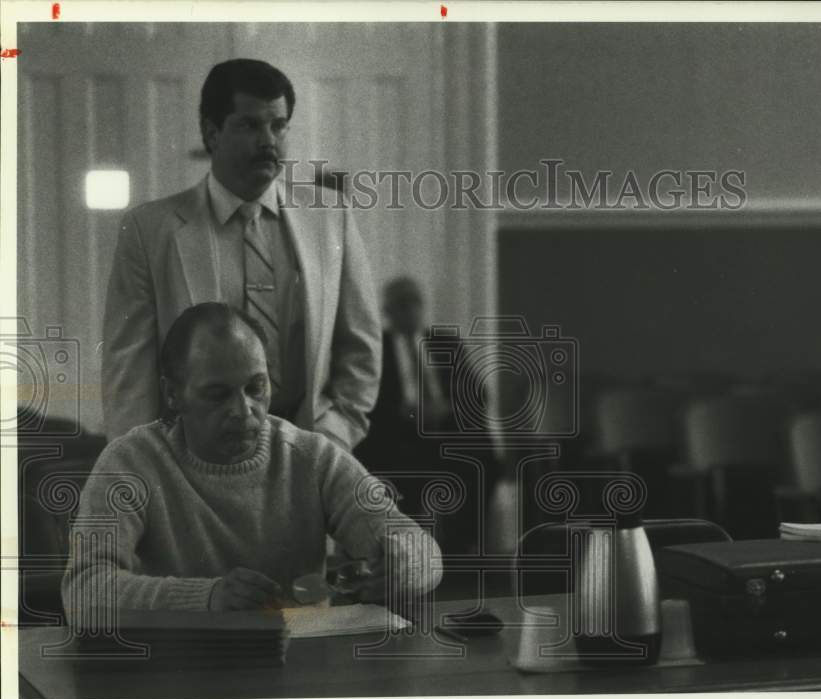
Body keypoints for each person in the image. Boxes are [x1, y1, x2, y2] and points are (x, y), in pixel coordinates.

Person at [62, 303, 441, 616]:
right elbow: (83, 590)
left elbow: (420, 548)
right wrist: (207, 598)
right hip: (177, 673)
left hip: (301, 668)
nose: (243, 411)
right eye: (217, 394)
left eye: (255, 388)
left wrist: (404, 564)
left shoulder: (312, 457)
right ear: (173, 394)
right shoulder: (131, 462)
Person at [102, 58, 380, 450]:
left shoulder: (330, 219)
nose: (269, 141)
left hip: (307, 455)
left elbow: (361, 348)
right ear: (212, 133)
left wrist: (331, 439)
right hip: (192, 464)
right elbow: (128, 371)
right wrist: (147, 469)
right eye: (249, 125)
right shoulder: (152, 231)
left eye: (278, 125)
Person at [354, 277, 500, 553]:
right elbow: (362, 400)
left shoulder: (446, 343)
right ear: (387, 311)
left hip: (445, 431)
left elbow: (479, 394)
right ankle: (409, 549)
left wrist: (446, 407)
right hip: (397, 436)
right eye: (401, 304)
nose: (410, 310)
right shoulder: (375, 349)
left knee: (483, 461)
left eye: (415, 303)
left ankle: (460, 547)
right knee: (402, 470)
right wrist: (400, 412)